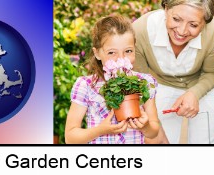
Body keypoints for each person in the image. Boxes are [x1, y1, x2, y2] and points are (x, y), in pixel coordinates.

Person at [133, 0, 214, 144]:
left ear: (204, 23)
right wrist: (153, 122)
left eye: (193, 25)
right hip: (158, 85)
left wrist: (194, 93)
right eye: (176, 19)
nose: (182, 31)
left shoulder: (213, 31)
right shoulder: (140, 31)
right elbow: (141, 81)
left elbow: (211, 73)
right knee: (161, 140)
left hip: (205, 83)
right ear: (166, 9)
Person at [65, 15, 167, 144]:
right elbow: (70, 138)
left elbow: (154, 131)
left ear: (135, 49)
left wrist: (145, 126)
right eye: (112, 52)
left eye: (128, 51)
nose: (121, 59)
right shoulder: (86, 85)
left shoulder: (145, 82)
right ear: (97, 53)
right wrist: (101, 130)